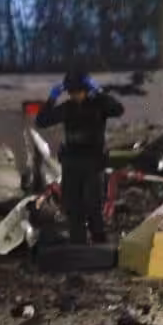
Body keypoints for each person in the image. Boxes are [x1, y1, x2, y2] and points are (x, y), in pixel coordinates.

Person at [35, 68, 124, 245]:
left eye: (78, 91)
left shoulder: (98, 105)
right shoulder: (67, 108)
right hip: (72, 163)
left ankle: (99, 242)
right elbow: (42, 121)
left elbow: (118, 109)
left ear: (86, 90)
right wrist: (52, 98)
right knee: (73, 206)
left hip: (93, 162)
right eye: (71, 92)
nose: (75, 95)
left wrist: (99, 93)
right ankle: (77, 243)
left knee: (93, 205)